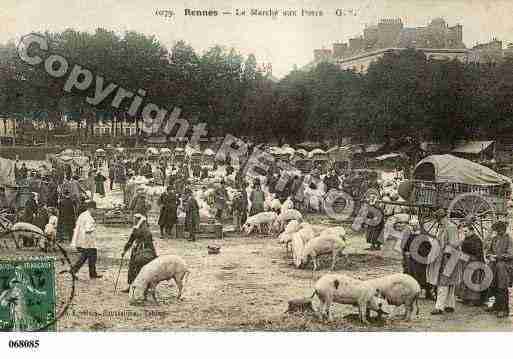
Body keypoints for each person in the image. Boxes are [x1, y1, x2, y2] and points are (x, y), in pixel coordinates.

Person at [427, 209, 463, 315]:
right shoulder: (445, 227)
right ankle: (450, 305)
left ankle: (439, 307)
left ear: (444, 218)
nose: (439, 222)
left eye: (440, 219)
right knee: (449, 282)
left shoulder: (450, 227)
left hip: (450, 257)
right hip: (449, 257)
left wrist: (446, 255)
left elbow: (454, 243)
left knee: (443, 282)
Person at [120, 214, 157, 293]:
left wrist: (124, 250)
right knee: (138, 269)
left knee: (136, 269)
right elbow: (131, 240)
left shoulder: (141, 230)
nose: (134, 220)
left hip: (141, 252)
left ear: (138, 220)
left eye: (135, 219)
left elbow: (131, 240)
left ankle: (137, 287)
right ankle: (137, 287)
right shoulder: (142, 228)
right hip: (142, 252)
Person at [486, 221, 513, 318]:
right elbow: (489, 250)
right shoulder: (494, 239)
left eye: (499, 230)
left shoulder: (509, 240)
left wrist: (497, 256)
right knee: (492, 285)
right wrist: (489, 256)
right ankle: (492, 305)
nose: (497, 232)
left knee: (502, 287)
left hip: (504, 266)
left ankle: (503, 309)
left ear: (503, 229)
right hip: (494, 265)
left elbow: (510, 255)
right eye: (497, 230)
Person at [70, 201, 102, 279]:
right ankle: (75, 271)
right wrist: (95, 226)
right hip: (88, 240)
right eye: (94, 209)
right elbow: (88, 229)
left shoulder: (82, 215)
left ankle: (91, 273)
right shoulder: (88, 217)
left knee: (87, 256)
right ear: (90, 208)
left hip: (82, 239)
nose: (95, 211)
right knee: (89, 256)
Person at [403, 219, 434, 300]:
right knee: (414, 275)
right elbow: (405, 248)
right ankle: (415, 292)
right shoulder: (410, 236)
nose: (413, 227)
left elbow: (428, 247)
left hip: (422, 259)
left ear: (417, 226)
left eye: (415, 225)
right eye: (412, 226)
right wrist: (407, 253)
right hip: (413, 260)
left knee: (424, 276)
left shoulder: (423, 236)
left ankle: (428, 292)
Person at [456, 222, 486, 306]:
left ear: (472, 231)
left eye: (466, 231)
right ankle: (465, 297)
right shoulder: (467, 238)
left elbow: (476, 252)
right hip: (468, 261)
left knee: (473, 280)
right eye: (464, 231)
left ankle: (474, 299)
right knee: (465, 278)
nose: (465, 233)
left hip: (476, 262)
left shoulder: (476, 239)